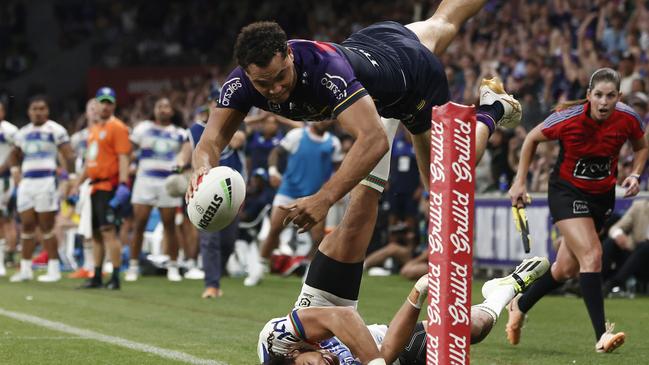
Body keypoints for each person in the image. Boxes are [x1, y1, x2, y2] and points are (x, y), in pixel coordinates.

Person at [189, 0, 522, 235]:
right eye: (264, 83)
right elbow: (211, 140)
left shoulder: (324, 72)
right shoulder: (240, 84)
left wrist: (325, 198)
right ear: (247, 74)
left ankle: (493, 108)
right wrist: (201, 168)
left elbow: (374, 139)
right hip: (375, 42)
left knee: (443, 178)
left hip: (412, 80)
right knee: (443, 20)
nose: (275, 89)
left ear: (289, 54)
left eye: (281, 76)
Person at [258, 195, 550, 364]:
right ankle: (503, 289)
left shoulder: (276, 344)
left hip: (321, 312)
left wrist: (374, 364)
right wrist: (416, 295)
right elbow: (386, 354)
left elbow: (341, 316)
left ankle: (385, 114)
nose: (326, 364)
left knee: (358, 215)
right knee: (473, 329)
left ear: (295, 354)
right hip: (381, 349)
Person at [507, 68, 648, 353]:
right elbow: (531, 139)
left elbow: (641, 146)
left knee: (566, 268)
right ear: (588, 96)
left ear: (619, 97)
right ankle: (601, 336)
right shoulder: (567, 118)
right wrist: (519, 181)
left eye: (610, 96)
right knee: (592, 255)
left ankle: (519, 304)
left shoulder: (628, 118)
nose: (604, 102)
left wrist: (635, 173)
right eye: (598, 95)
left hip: (602, 197)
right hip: (566, 192)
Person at [245, 120, 343, 286]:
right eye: (320, 117)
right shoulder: (296, 135)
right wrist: (273, 171)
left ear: (332, 121)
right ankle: (259, 269)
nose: (323, 120)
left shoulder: (333, 143)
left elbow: (338, 168)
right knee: (275, 229)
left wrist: (336, 190)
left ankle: (310, 273)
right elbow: (276, 153)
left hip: (315, 196)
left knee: (318, 237)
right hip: (288, 191)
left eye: (327, 117)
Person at [188, 93, 246, 298]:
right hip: (208, 190)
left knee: (228, 241)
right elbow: (190, 150)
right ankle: (212, 284)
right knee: (209, 238)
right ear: (210, 106)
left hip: (234, 192)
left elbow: (239, 140)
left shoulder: (237, 124)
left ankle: (218, 272)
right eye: (216, 103)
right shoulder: (196, 130)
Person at [126, 97, 188, 282]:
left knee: (170, 225)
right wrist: (130, 165)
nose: (163, 109)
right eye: (160, 106)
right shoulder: (142, 128)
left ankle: (173, 266)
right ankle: (133, 266)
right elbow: (129, 151)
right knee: (139, 224)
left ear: (172, 111)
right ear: (154, 110)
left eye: (167, 106)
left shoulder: (180, 133)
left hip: (167, 183)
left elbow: (184, 156)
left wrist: (178, 169)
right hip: (144, 181)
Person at [76, 87, 131, 290]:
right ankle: (97, 276)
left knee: (109, 232)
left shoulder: (118, 127)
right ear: (96, 104)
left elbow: (123, 156)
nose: (105, 106)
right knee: (97, 234)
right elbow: (90, 161)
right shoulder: (94, 130)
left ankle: (115, 277)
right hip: (94, 187)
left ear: (114, 105)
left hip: (109, 186)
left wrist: (123, 184)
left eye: (109, 102)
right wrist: (76, 184)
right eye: (102, 102)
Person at [603, 198, 649, 295]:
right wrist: (618, 234)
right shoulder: (639, 207)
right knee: (611, 242)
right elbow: (616, 227)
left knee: (645, 246)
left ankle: (614, 284)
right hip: (634, 257)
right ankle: (597, 281)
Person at [0, 101, 18, 277]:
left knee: (5, 218)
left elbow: (18, 153)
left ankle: (7, 256)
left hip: (4, 180)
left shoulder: (10, 131)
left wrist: (7, 168)